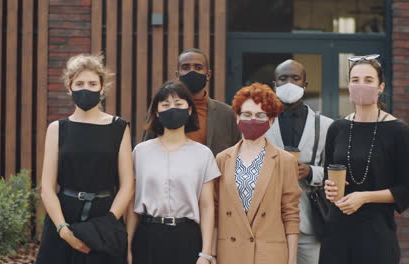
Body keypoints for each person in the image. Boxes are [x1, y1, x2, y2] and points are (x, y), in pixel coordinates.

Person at [36, 54, 134, 264]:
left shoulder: (119, 127)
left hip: (105, 218)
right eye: (79, 83)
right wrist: (63, 230)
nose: (86, 89)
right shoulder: (57, 129)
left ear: (102, 88)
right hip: (63, 218)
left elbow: (127, 185)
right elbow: (47, 188)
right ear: (69, 87)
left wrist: (106, 223)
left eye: (92, 84)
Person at [321, 55, 409, 264]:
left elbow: (408, 189)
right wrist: (328, 188)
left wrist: (364, 197)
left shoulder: (397, 131)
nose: (361, 85)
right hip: (337, 233)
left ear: (380, 86)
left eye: (368, 80)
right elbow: (326, 176)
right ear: (348, 85)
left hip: (376, 233)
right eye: (355, 80)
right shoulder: (337, 128)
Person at [126, 80, 221, 264]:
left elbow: (207, 207)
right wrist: (127, 246)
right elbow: (132, 205)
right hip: (148, 236)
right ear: (156, 111)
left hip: (186, 237)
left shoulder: (203, 154)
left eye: (179, 104)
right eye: (165, 105)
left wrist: (206, 253)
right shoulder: (140, 152)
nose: (172, 109)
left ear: (189, 110)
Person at [214, 83, 301, 264]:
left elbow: (291, 214)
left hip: (269, 254)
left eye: (261, 115)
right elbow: (214, 212)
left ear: (271, 120)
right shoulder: (222, 159)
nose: (253, 120)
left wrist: (292, 261)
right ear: (237, 117)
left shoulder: (285, 161)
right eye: (247, 114)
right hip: (230, 252)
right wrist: (211, 254)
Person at [266, 59, 333, 264]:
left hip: (310, 220)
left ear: (305, 84)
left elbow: (336, 172)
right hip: (268, 220)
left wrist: (311, 172)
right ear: (274, 84)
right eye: (283, 78)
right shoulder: (260, 123)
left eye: (295, 78)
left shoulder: (326, 126)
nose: (289, 83)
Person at [143, 48, 241, 156]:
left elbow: (236, 154)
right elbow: (147, 149)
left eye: (198, 67)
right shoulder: (163, 109)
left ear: (208, 75)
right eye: (185, 67)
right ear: (177, 74)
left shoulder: (226, 113)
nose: (192, 71)